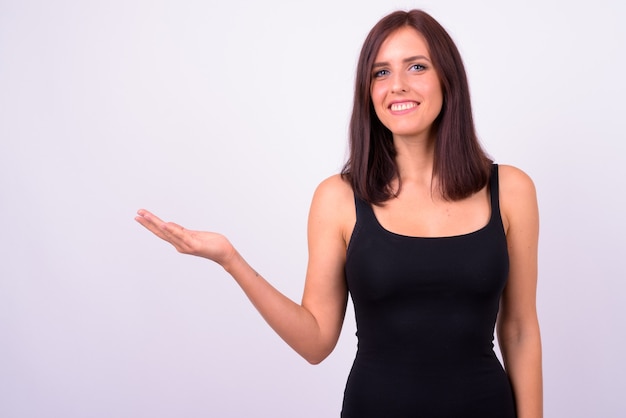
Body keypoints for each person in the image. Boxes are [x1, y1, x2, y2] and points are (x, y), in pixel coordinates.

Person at [135, 9, 542, 418]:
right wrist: (231, 260)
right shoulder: (338, 198)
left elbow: (520, 330)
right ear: (367, 90)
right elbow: (315, 342)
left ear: (447, 79)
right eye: (380, 73)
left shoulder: (510, 190)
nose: (397, 85)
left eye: (416, 67)